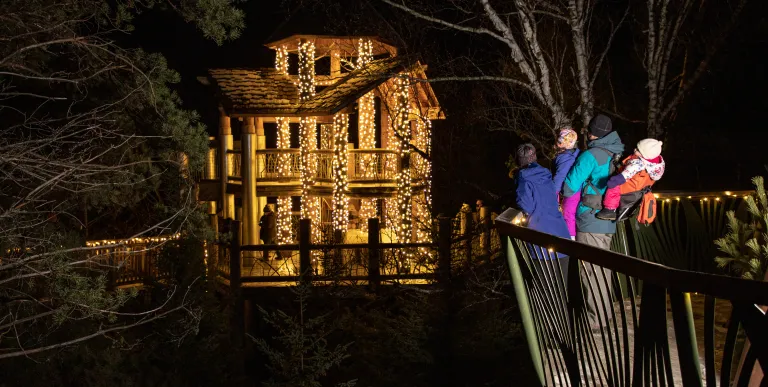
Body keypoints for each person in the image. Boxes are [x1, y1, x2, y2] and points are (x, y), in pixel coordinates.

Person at [561, 114, 625, 330]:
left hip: (591, 218)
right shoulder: (616, 152)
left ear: (592, 133)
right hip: (608, 218)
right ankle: (603, 315)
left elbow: (569, 187)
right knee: (601, 269)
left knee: (591, 271)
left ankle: (595, 322)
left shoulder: (591, 155)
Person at [513, 144, 571, 286]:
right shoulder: (545, 174)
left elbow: (526, 204)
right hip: (561, 233)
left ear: (520, 161)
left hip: (541, 237)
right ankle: (564, 308)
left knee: (546, 288)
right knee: (563, 284)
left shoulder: (523, 177)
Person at [596, 139, 665, 221]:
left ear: (645, 155)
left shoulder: (638, 163)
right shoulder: (657, 165)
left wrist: (616, 180)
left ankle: (609, 209)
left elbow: (627, 173)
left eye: (638, 150)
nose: (635, 150)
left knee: (613, 188)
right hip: (639, 190)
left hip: (629, 188)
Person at [552, 127, 580, 240]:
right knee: (571, 213)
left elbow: (559, 177)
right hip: (578, 187)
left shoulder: (565, 158)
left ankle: (570, 239)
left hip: (571, 190)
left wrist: (553, 194)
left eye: (560, 141)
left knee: (568, 212)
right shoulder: (576, 154)